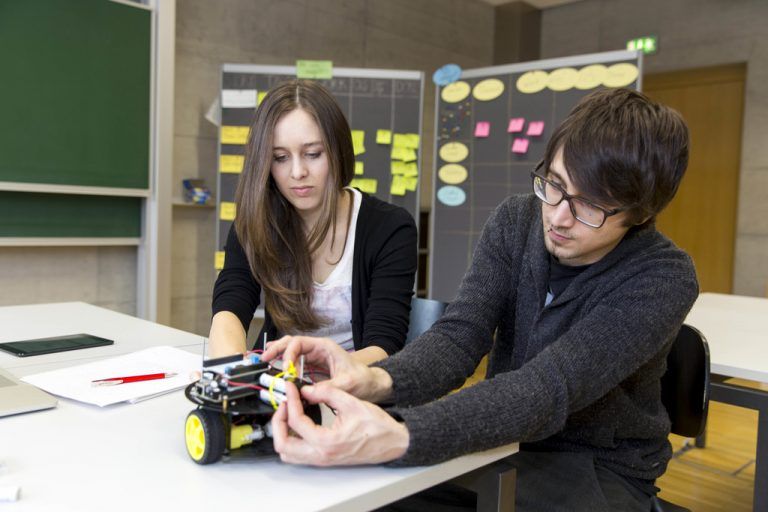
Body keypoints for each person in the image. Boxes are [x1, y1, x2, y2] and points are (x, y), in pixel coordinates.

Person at [261, 88, 699, 511]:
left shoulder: (663, 276)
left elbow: (549, 387)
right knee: (366, 492)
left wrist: (402, 434)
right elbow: (458, 338)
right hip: (501, 439)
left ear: (640, 215)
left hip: (599, 470)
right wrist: (374, 378)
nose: (559, 216)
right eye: (554, 184)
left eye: (590, 207)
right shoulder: (517, 220)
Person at [210, 80, 417, 365]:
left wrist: (325, 374)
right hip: (278, 384)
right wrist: (229, 372)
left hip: (355, 386)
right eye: (280, 158)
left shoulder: (390, 228)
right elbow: (230, 304)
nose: (297, 172)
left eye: (313, 154)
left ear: (337, 150)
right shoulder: (256, 221)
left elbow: (384, 344)